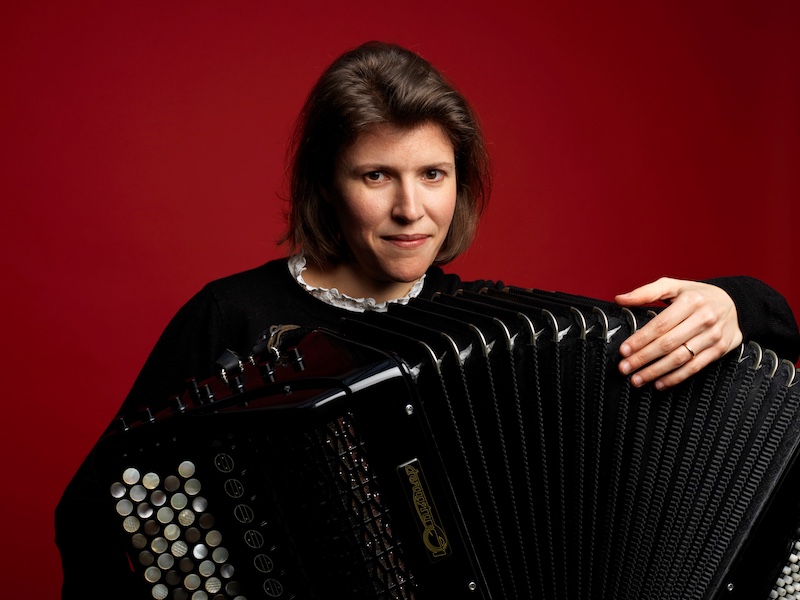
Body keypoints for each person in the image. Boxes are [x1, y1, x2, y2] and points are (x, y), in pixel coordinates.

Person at [56, 41, 800, 598]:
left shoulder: (495, 331)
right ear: (327, 186)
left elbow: (757, 331)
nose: (411, 209)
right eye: (376, 175)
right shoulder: (232, 314)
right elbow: (94, 510)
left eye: (433, 174)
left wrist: (735, 301)